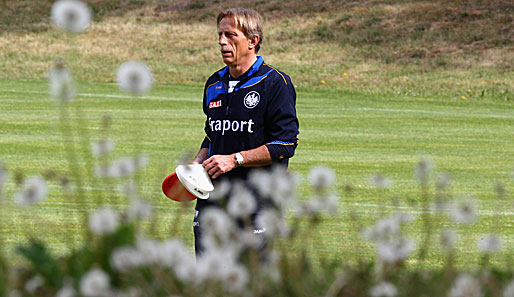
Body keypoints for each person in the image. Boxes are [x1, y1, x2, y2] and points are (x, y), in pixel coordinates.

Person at [191, 8, 299, 255]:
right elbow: (212, 133)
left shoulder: (275, 83)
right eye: (220, 35)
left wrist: (235, 160)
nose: (221, 42)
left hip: (256, 203)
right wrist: (197, 161)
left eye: (230, 35)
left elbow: (285, 144)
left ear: (253, 41)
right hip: (212, 200)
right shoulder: (213, 84)